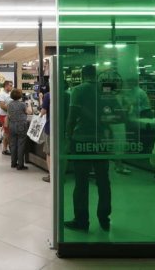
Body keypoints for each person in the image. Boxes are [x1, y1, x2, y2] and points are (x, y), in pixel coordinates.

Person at [65, 65, 112, 232]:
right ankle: (104, 218)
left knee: (81, 182)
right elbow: (113, 114)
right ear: (96, 75)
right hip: (101, 141)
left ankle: (81, 220)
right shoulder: (105, 89)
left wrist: (68, 137)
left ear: (83, 76)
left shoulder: (78, 90)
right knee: (103, 180)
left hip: (82, 140)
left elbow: (72, 118)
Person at [6, 89, 32, 170]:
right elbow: (29, 112)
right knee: (21, 144)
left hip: (12, 125)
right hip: (21, 125)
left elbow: (8, 114)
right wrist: (29, 104)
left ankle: (13, 163)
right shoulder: (22, 104)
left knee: (13, 144)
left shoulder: (9, 104)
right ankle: (20, 164)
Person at [0, 80, 13, 155]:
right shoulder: (2, 94)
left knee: (8, 133)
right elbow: (2, 106)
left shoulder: (10, 94)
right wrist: (12, 109)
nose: (11, 87)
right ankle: (4, 149)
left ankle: (6, 148)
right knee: (7, 133)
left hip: (9, 116)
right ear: (6, 86)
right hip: (4, 116)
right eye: (10, 85)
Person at [40, 92, 51, 182]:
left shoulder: (48, 95)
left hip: (50, 128)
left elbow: (43, 112)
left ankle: (51, 175)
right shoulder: (68, 94)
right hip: (64, 128)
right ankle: (62, 174)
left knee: (49, 152)